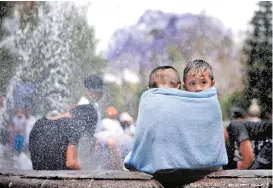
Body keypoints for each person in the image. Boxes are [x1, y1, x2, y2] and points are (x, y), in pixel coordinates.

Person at [124, 61, 227, 183]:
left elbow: (142, 140)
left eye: (203, 83)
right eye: (192, 84)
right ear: (180, 87)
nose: (198, 88)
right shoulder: (210, 103)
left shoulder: (148, 100)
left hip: (163, 168)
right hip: (209, 166)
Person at [29, 104, 97, 170]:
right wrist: (86, 174)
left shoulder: (39, 123)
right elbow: (71, 163)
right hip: (60, 177)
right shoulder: (74, 125)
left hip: (39, 174)